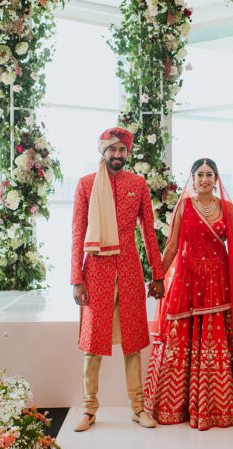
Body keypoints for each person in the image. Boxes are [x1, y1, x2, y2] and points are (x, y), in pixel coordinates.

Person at [143, 158, 233, 430]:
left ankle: (217, 407)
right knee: (181, 340)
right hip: (187, 280)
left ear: (216, 179)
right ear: (192, 179)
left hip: (219, 283)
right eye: (199, 174)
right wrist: (157, 277)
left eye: (209, 174)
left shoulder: (227, 208)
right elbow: (171, 248)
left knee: (216, 345)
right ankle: (174, 406)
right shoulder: (184, 207)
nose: (204, 179)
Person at [70, 127, 166, 432]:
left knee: (133, 342)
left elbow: (149, 232)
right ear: (103, 151)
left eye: (122, 150)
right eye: (112, 149)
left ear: (128, 153)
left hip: (128, 269)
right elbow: (77, 233)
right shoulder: (86, 185)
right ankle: (88, 409)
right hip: (95, 271)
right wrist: (76, 279)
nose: (117, 155)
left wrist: (158, 275)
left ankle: (139, 408)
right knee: (93, 345)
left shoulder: (137, 184)